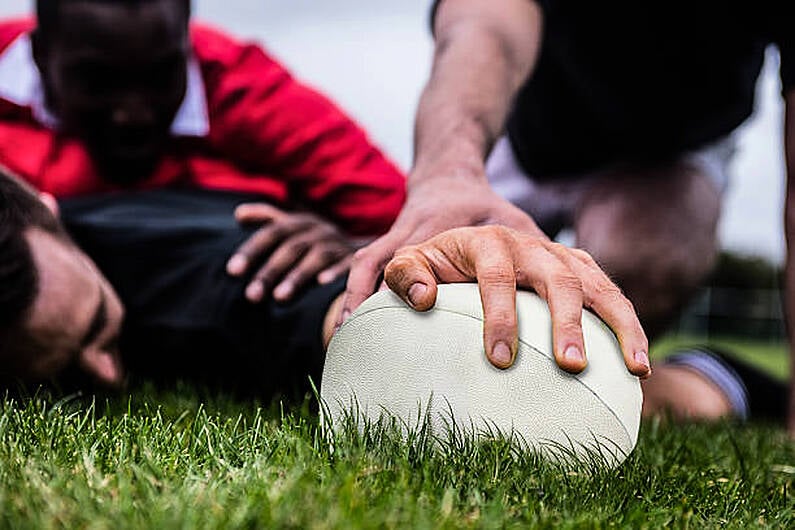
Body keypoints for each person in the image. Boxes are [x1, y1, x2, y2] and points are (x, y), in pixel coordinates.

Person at [341, 1, 793, 429]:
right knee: (430, 266)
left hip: (669, 149)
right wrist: (448, 175)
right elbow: (483, 21)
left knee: (638, 271)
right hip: (523, 127)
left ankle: (692, 379)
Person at [0, 0, 405, 305]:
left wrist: (353, 247)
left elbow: (410, 221)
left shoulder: (248, 91)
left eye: (161, 76)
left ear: (186, 44)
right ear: (38, 55)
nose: (133, 114)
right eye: (98, 81)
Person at [0, 168, 344, 393]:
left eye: (98, 323)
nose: (109, 377)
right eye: (60, 378)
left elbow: (360, 324)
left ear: (48, 210)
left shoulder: (224, 265)